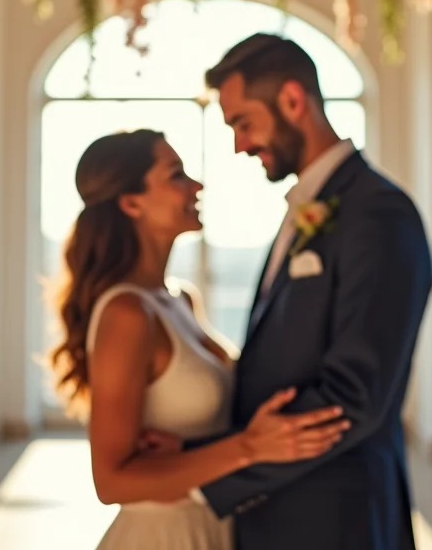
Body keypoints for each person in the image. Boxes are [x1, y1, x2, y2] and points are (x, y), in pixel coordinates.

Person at [175, 33, 432, 550]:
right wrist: (197, 447)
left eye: (242, 123)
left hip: (338, 520)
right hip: (281, 513)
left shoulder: (379, 214)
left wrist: (212, 474)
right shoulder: (308, 207)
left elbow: (353, 396)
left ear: (293, 101)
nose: (239, 145)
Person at [46, 128, 350, 550]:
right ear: (131, 203)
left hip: (216, 526)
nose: (197, 185)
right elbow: (112, 480)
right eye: (176, 175)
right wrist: (248, 448)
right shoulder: (126, 314)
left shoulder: (181, 299)